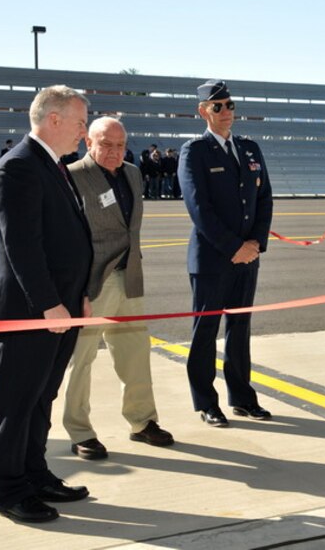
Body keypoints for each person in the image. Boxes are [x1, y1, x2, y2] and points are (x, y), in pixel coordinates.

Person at [0, 85, 93, 523]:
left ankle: (34, 473)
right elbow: (22, 247)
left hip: (59, 309)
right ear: (54, 119)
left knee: (40, 398)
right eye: (81, 122)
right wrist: (50, 304)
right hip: (29, 313)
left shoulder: (52, 166)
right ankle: (10, 490)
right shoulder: (19, 168)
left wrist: (77, 295)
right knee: (15, 403)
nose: (84, 132)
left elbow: (65, 241)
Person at [63, 117, 174, 461]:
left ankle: (142, 422)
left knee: (135, 354)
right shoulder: (73, 176)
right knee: (81, 361)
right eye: (106, 144)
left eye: (120, 145)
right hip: (92, 283)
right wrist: (75, 288)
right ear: (88, 143)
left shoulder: (133, 173)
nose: (114, 152)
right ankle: (80, 430)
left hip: (130, 278)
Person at [178, 79, 273, 427]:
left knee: (240, 327)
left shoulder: (249, 148)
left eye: (230, 105)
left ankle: (242, 397)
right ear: (203, 111)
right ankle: (205, 402)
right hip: (212, 259)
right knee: (205, 332)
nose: (226, 112)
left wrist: (255, 245)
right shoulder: (195, 152)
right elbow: (199, 208)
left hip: (247, 259)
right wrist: (234, 247)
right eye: (218, 106)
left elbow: (264, 199)